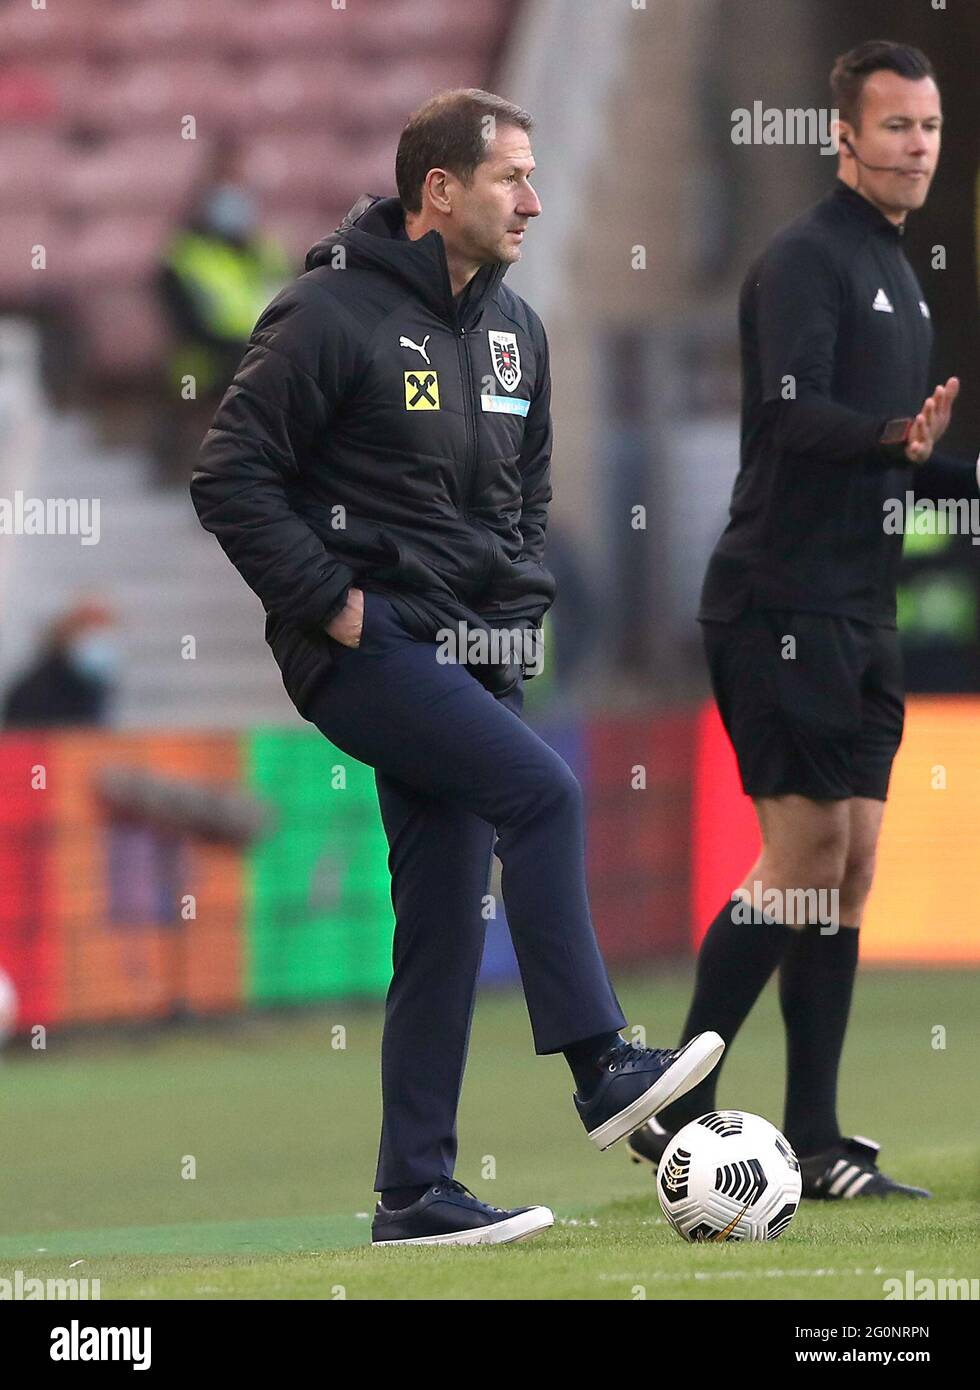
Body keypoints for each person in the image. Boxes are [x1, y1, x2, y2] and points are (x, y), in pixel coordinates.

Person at [190, 89, 723, 1246]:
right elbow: (228, 474)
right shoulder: (329, 311)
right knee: (543, 789)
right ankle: (599, 1064)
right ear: (439, 192)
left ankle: (412, 1193)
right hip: (365, 646)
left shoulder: (513, 328)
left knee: (439, 913)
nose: (532, 200)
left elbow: (525, 500)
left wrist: (512, 616)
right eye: (508, 179)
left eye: (533, 177)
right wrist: (326, 599)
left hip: (475, 650)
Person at [628, 41, 974, 1201]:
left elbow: (895, 461)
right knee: (802, 857)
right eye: (894, 128)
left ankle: (816, 1138)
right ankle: (668, 1106)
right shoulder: (804, 261)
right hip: (779, 601)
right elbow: (790, 417)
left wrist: (949, 476)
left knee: (852, 868)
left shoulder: (896, 269)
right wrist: (891, 439)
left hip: (857, 609)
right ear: (843, 137)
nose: (915, 146)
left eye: (927, 128)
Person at [2, 600, 119, 727]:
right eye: (93, 628)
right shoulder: (37, 691)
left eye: (104, 627)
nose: (100, 638)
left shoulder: (90, 685)